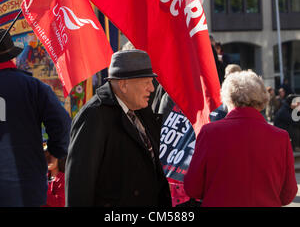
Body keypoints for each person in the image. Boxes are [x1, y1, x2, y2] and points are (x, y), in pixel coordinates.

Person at [65, 49, 172, 207]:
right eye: (146, 82)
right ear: (123, 84)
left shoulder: (141, 109)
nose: (152, 88)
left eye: (151, 82)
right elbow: (80, 184)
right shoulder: (94, 116)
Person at [184, 70, 298, 207]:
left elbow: (193, 188)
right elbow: (288, 194)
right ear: (263, 100)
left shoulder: (210, 133)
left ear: (228, 99)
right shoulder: (280, 137)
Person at [0, 28, 71, 207]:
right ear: (12, 57)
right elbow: (61, 124)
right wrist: (54, 152)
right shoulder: (34, 87)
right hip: (26, 189)